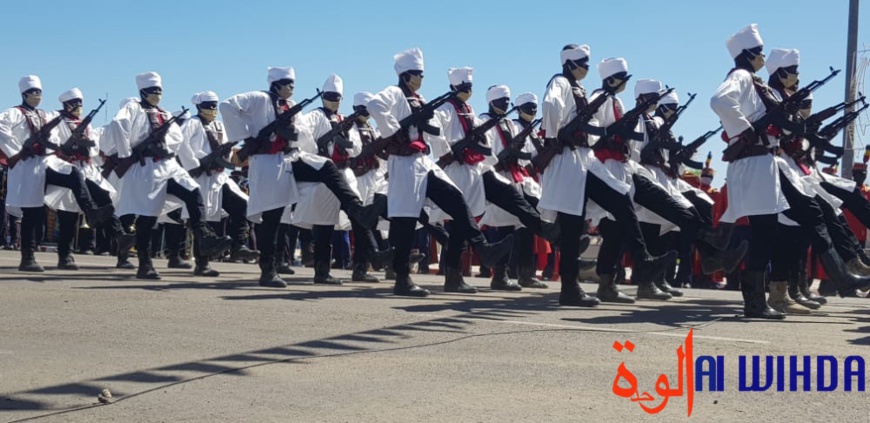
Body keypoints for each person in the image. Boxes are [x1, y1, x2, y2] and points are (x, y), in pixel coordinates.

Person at [710, 24, 870, 318]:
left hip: (766, 164)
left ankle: (763, 298)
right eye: (757, 52)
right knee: (770, 230)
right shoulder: (741, 76)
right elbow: (719, 101)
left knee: (785, 224)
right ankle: (753, 292)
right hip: (756, 162)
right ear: (747, 54)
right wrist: (746, 132)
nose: (761, 56)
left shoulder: (755, 82)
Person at [366, 48, 512, 297]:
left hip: (423, 161)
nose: (421, 78)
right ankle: (402, 278)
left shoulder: (419, 98)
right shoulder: (394, 93)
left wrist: (425, 122)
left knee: (456, 199)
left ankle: (483, 248)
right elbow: (375, 104)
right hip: (403, 162)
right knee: (405, 221)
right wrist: (395, 131)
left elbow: (432, 130)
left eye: (421, 74)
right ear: (406, 76)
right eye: (417, 74)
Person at [220, 66, 380, 288]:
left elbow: (305, 137)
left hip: (293, 158)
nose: (291, 87)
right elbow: (227, 105)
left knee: (325, 165)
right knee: (273, 216)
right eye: (287, 83)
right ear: (276, 84)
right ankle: (268, 270)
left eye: (293, 83)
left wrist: (293, 132)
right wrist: (248, 137)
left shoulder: (293, 106)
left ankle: (355, 208)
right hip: (267, 162)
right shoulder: (258, 98)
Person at [536, 45, 671, 306]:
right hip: (568, 161)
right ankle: (570, 288)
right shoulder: (561, 81)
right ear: (570, 64)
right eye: (583, 63)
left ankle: (643, 261)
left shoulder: (579, 89)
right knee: (572, 227)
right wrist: (554, 136)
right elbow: (550, 104)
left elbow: (593, 127)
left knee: (620, 201)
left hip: (584, 160)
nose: (586, 67)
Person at [431, 77, 558, 292]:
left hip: (484, 169)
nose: (505, 106)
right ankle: (456, 276)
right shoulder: (447, 109)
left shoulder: (472, 111)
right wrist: (447, 151)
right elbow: (434, 130)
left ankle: (553, 235)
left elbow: (485, 144)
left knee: (515, 203)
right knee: (464, 223)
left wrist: (489, 151)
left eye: (507, 102)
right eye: (501, 102)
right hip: (460, 171)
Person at [106, 71, 232, 279]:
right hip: (145, 167)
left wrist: (174, 153)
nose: (157, 94)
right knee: (148, 216)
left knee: (193, 192)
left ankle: (205, 236)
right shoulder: (133, 108)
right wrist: (127, 152)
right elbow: (119, 124)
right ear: (142, 91)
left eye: (159, 90)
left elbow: (177, 138)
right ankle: (144, 264)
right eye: (153, 90)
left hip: (168, 165)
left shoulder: (164, 113)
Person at [0, 75, 114, 272]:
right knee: (32, 213)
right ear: (24, 94)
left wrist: (57, 145)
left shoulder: (46, 115)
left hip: (47, 162)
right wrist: (19, 150)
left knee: (74, 174)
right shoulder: (12, 113)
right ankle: (28, 257)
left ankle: (91, 211)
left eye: (40, 92)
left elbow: (53, 139)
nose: (37, 95)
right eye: (33, 92)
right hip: (26, 166)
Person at [45, 88, 135, 270]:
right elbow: (51, 142)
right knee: (68, 217)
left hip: (87, 171)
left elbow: (94, 150)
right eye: (74, 103)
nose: (78, 106)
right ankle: (65, 256)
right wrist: (67, 146)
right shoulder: (55, 119)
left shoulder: (85, 124)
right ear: (65, 105)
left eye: (80, 102)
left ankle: (121, 241)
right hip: (66, 170)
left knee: (105, 203)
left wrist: (84, 145)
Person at [179, 91, 261, 276]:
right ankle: (202, 263)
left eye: (214, 105)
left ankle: (239, 245)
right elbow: (181, 144)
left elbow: (228, 148)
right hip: (200, 177)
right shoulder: (192, 123)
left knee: (241, 206)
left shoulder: (219, 125)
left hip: (219, 176)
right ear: (199, 106)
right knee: (202, 219)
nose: (212, 109)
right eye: (208, 105)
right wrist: (196, 164)